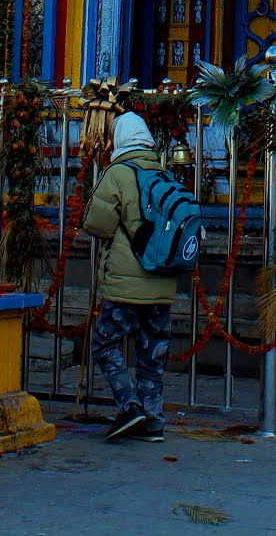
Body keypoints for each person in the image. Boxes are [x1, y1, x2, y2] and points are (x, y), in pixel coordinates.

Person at [81, 111, 177, 443]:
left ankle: (129, 405)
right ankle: (154, 421)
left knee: (105, 343)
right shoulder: (164, 173)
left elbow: (97, 224)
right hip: (162, 281)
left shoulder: (118, 173)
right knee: (152, 355)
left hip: (125, 281)